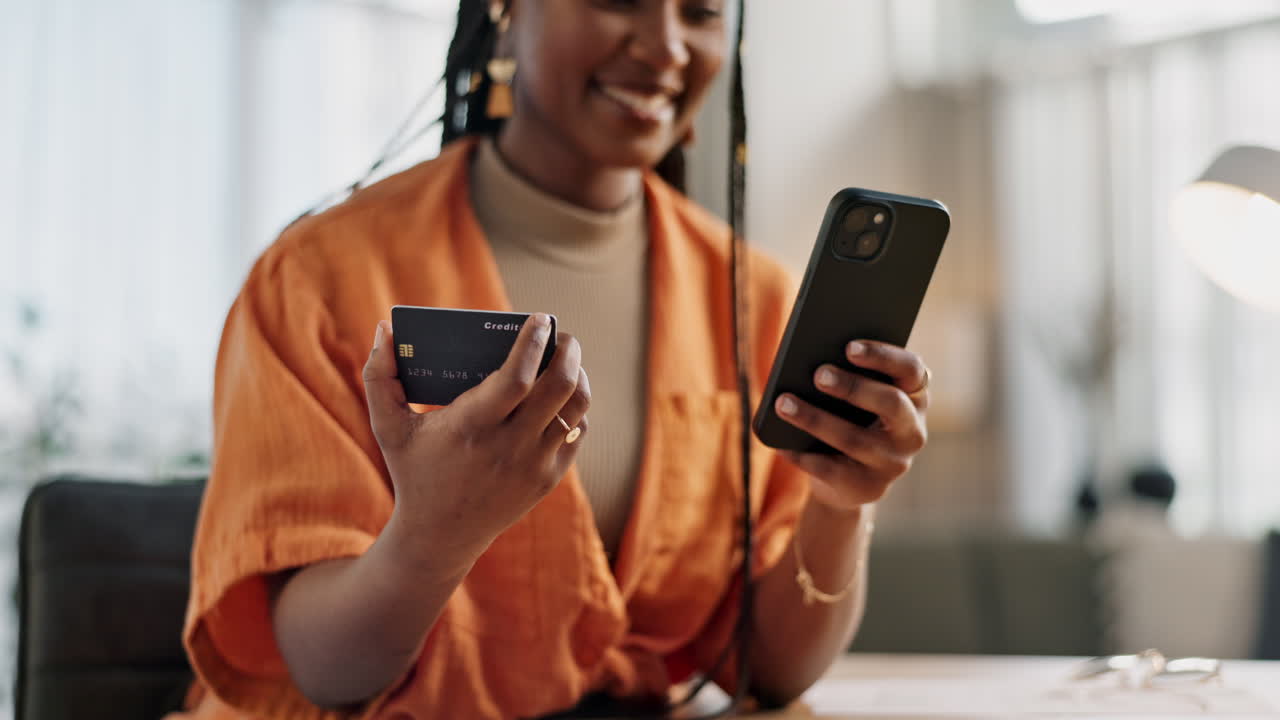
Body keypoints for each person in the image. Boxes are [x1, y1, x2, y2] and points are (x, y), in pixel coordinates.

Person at [172, 1, 932, 718]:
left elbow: (768, 669)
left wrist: (841, 502)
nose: (667, 44)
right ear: (506, 14)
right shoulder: (316, 278)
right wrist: (430, 538)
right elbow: (326, 671)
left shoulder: (752, 301)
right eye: (619, 0)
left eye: (700, 11)